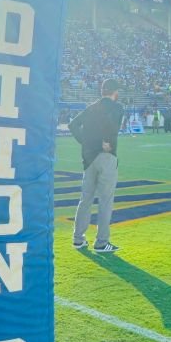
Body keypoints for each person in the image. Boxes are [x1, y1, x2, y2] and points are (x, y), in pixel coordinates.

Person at [70, 78, 124, 253]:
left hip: (88, 158)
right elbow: (113, 128)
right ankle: (101, 242)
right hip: (106, 157)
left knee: (85, 199)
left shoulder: (92, 107)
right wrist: (106, 142)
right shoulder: (117, 107)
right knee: (105, 201)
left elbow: (73, 125)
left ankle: (78, 238)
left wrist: (86, 142)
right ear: (115, 92)